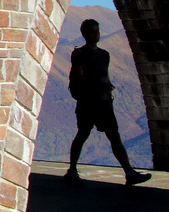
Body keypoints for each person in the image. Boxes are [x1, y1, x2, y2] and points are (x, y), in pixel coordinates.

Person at [63, 19, 152, 186]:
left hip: (103, 102)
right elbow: (80, 75)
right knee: (83, 134)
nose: (95, 34)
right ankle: (73, 170)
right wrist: (99, 85)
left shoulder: (105, 55)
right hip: (88, 103)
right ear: (84, 34)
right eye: (92, 31)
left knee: (113, 136)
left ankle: (128, 171)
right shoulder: (79, 54)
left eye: (97, 31)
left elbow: (103, 75)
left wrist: (106, 87)